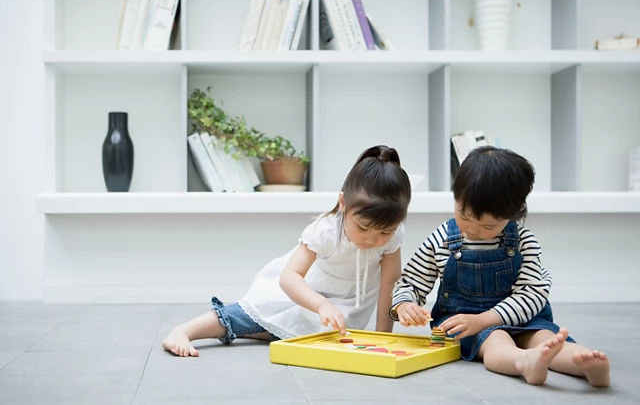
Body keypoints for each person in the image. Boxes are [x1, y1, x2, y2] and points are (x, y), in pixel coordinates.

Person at [390, 146, 610, 387]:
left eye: (487, 227)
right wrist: (404, 304)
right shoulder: (442, 239)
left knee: (545, 338)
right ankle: (522, 362)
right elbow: (412, 281)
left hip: (523, 318)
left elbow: (532, 293)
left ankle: (585, 365)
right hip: (467, 323)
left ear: (513, 214)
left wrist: (486, 318)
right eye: (463, 216)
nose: (472, 229)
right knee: (496, 340)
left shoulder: (523, 241)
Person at [163, 145, 412, 357]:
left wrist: (382, 338)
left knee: (317, 338)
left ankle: (270, 331)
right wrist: (321, 305)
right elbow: (289, 277)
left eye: (384, 232)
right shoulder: (324, 230)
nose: (372, 239)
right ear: (343, 203)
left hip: (340, 311)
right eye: (363, 228)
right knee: (242, 316)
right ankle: (184, 330)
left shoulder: (393, 237)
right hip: (301, 296)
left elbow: (389, 283)